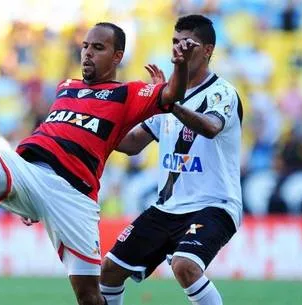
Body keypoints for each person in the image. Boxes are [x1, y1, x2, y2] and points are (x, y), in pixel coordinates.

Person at [0, 22, 198, 305]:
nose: (87, 53)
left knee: (90, 298)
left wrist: (180, 65)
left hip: (74, 196)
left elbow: (171, 96)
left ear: (117, 57)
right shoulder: (66, 87)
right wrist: (24, 191)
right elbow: (52, 133)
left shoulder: (127, 93)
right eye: (85, 46)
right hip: (32, 173)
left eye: (98, 48)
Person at [100, 15, 243, 305]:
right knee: (109, 271)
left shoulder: (222, 93)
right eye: (176, 42)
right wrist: (99, 121)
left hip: (214, 204)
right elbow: (131, 145)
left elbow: (210, 127)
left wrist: (169, 103)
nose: (180, 48)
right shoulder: (164, 97)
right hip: (166, 207)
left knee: (185, 266)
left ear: (208, 50)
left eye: (188, 43)